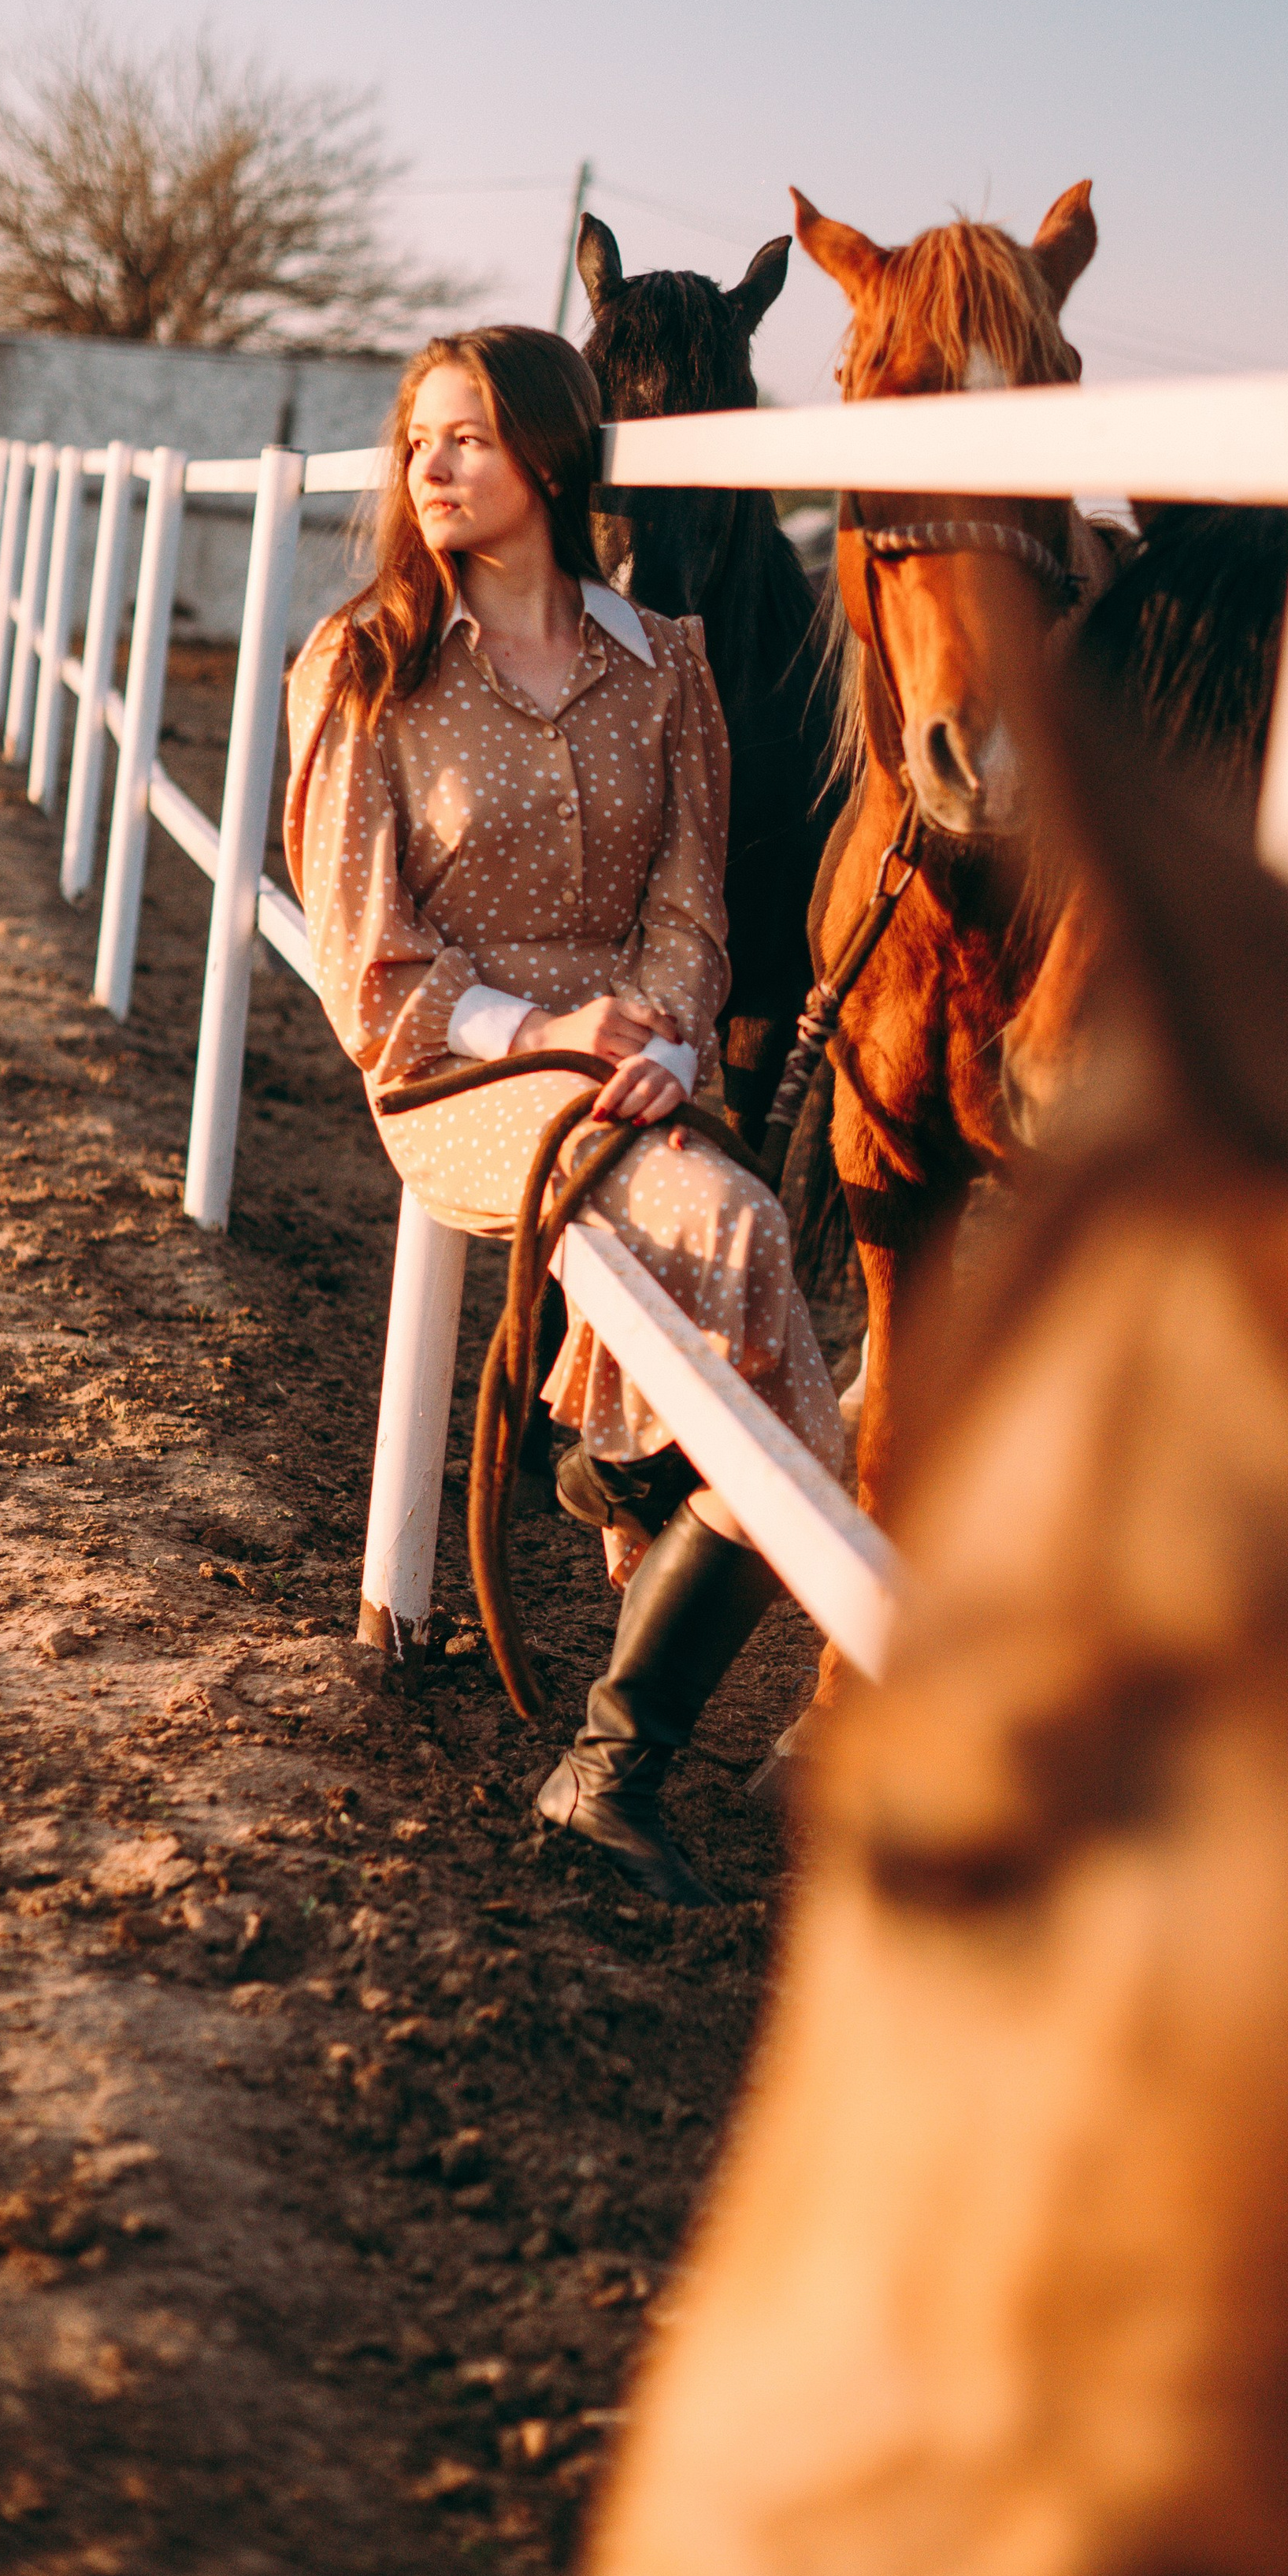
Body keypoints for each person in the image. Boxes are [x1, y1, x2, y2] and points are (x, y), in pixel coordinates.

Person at [284, 325, 843, 1907]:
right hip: (457, 1065)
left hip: (634, 1068)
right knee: (744, 1237)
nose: (433, 467)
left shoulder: (664, 661)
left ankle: (622, 1496)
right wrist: (546, 1033)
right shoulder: (367, 663)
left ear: (548, 451)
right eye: (418, 442)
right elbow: (364, 958)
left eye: (467, 436)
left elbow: (691, 902)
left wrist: (659, 1033)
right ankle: (616, 1746)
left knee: (742, 1301)